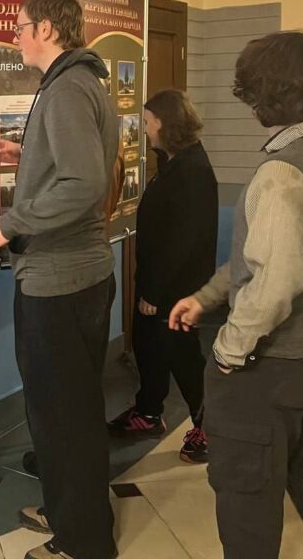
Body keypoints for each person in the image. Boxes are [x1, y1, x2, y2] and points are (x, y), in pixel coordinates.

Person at [168, 31, 303, 559]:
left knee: (245, 499)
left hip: (276, 368)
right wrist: (208, 296)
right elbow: (267, 257)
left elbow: (276, 284)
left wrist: (228, 353)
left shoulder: (282, 173)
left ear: (268, 92)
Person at [0, 0, 117, 559]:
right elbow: (76, 164)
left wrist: (8, 225)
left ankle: (82, 539)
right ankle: (72, 512)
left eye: (20, 27)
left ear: (47, 30)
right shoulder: (80, 83)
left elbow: (83, 184)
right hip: (77, 276)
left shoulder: (65, 89)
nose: (15, 37)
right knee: (73, 410)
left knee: (61, 416)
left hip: (59, 282)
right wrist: (25, 153)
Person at [107, 90, 218, 463]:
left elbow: (181, 243)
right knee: (148, 345)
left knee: (182, 354)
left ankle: (209, 426)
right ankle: (148, 413)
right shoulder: (173, 162)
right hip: (159, 282)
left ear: (166, 124)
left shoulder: (192, 171)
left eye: (147, 121)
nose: (144, 128)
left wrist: (154, 293)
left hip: (175, 289)